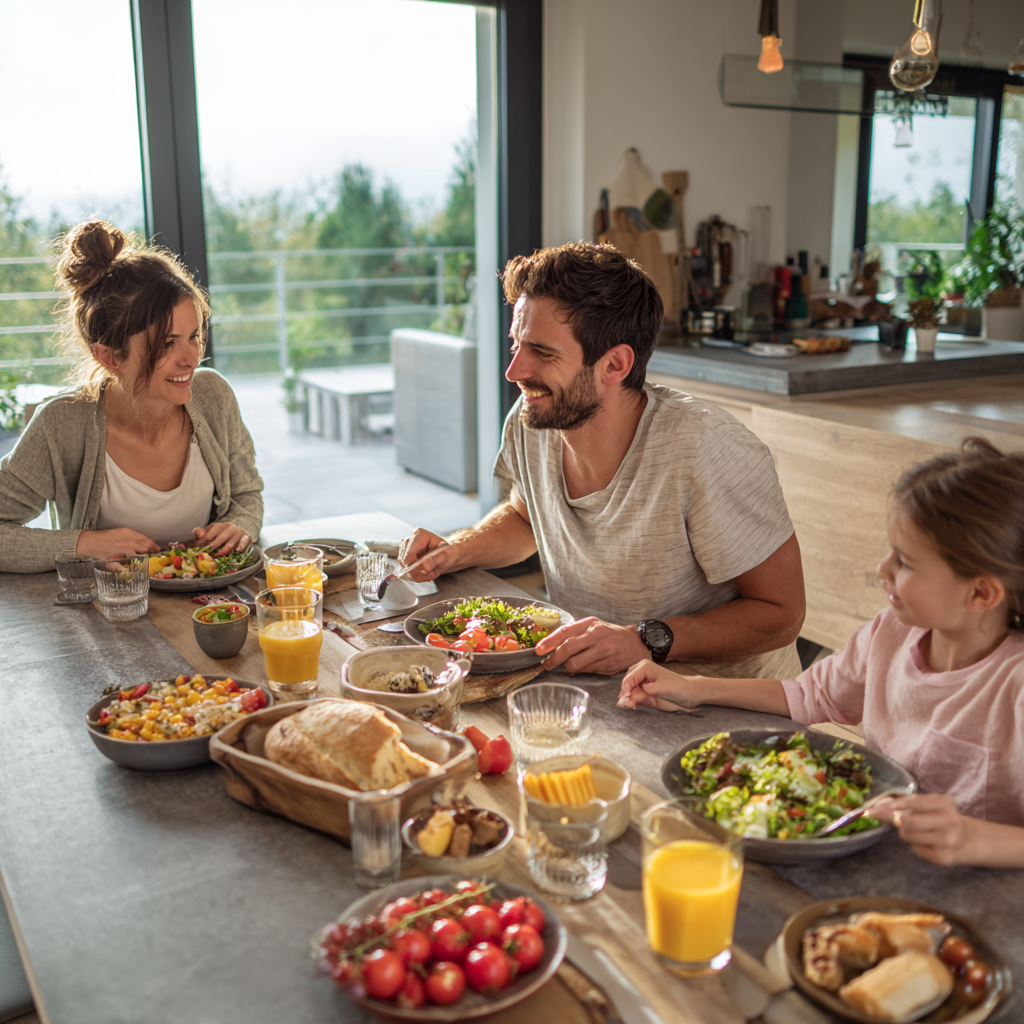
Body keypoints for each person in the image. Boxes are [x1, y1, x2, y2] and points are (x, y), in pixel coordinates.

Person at [401, 242, 805, 677]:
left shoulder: (707, 449)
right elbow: (526, 518)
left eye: (543, 352)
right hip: (601, 690)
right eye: (517, 345)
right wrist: (458, 549)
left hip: (723, 713)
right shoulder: (532, 419)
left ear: (615, 364)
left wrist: (644, 640)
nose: (514, 371)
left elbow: (781, 614)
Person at [619, 438, 1024, 869]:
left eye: (904, 562)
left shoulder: (1013, 687)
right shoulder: (890, 633)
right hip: (880, 862)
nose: (882, 570)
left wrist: (970, 838)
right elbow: (810, 695)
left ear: (981, 592)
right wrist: (693, 688)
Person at [0, 220, 263, 574]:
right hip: (107, 617)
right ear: (110, 357)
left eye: (194, 335)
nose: (191, 357)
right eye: (168, 344)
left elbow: (247, 495)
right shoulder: (61, 423)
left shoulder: (213, 394)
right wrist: (84, 544)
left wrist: (241, 526)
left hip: (210, 608)